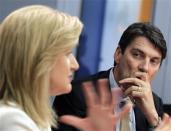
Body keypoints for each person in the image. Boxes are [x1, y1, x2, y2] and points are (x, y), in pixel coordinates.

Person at [0, 5, 131, 131]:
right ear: (37, 58)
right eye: (67, 53)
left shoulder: (32, 117)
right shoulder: (13, 120)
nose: (75, 65)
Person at [53, 22, 167, 131]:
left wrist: (154, 119)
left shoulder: (155, 103)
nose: (145, 67)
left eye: (154, 61)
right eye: (137, 55)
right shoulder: (75, 94)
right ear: (118, 54)